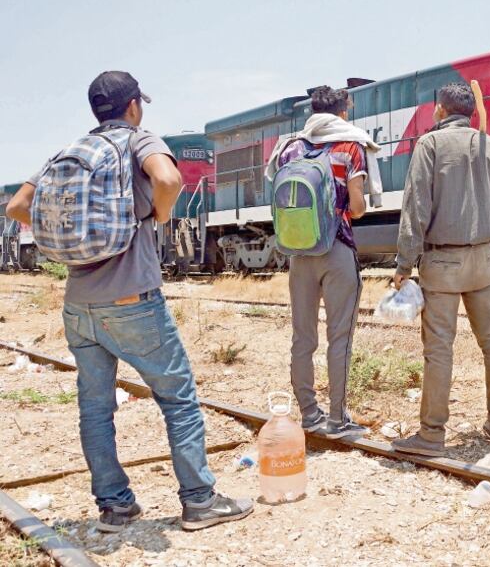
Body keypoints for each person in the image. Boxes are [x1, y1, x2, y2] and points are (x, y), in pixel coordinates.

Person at [5, 71, 253, 533]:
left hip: (79, 306)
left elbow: (16, 207)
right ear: (134, 105)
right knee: (178, 398)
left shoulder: (68, 152)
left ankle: (115, 507)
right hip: (132, 301)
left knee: (95, 407)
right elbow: (168, 177)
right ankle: (200, 500)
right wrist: (157, 212)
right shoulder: (138, 140)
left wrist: (67, 235)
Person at [390, 82, 490, 457]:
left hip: (442, 264)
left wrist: (403, 264)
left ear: (441, 111)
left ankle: (431, 434)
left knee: (440, 349)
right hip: (483, 260)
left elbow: (415, 210)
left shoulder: (429, 146)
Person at [264, 86, 371, 438]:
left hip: (299, 253)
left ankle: (309, 414)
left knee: (302, 338)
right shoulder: (350, 145)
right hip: (337, 249)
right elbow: (356, 207)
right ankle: (338, 419)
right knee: (339, 337)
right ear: (342, 112)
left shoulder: (291, 147)